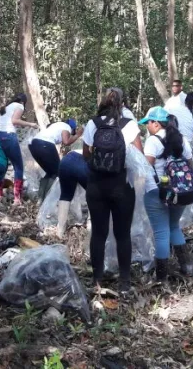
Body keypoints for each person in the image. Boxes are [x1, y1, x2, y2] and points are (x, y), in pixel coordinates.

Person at [82, 87, 142, 293]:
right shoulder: (129, 125)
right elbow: (139, 156)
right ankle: (125, 281)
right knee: (122, 234)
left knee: (98, 233)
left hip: (96, 185)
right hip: (122, 184)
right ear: (122, 103)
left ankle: (96, 280)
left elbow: (85, 155)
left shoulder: (93, 123)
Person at [140, 107, 193, 280]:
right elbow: (190, 166)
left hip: (156, 191)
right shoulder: (181, 139)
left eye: (148, 123)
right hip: (181, 192)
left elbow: (145, 168)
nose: (147, 126)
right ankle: (187, 267)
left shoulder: (152, 141)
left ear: (156, 123)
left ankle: (161, 277)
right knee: (174, 227)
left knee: (161, 232)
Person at [0, 93, 38, 204]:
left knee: (2, 165)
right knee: (18, 167)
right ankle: (17, 198)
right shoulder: (20, 106)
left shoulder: (4, 108)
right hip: (8, 137)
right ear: (23, 101)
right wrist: (31, 124)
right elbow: (14, 121)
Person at [29, 119, 82, 200]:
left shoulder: (57, 125)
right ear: (73, 128)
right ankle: (48, 199)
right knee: (58, 172)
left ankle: (40, 198)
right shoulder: (66, 127)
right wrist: (77, 135)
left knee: (50, 172)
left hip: (33, 144)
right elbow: (66, 141)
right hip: (44, 144)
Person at [55, 150, 89, 237]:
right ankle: (90, 235)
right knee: (96, 199)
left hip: (66, 161)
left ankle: (60, 232)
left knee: (65, 195)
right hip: (82, 165)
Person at [165, 91, 193, 164]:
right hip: (187, 149)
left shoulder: (172, 110)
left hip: (170, 146)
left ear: (185, 101)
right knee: (188, 172)